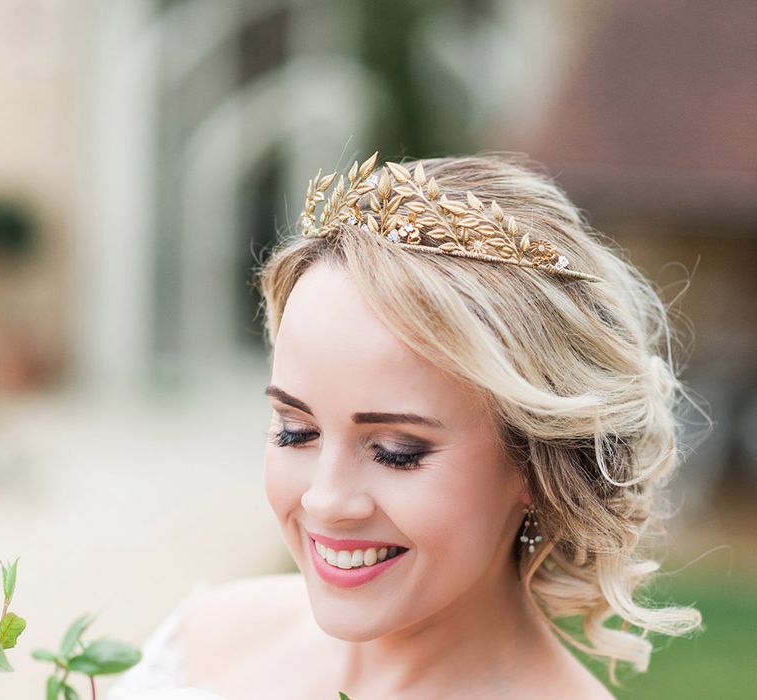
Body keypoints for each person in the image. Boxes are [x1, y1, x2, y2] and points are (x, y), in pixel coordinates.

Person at [108, 152, 701, 699]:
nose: (327, 499)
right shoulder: (208, 639)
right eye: (295, 430)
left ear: (539, 458)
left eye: (396, 450)